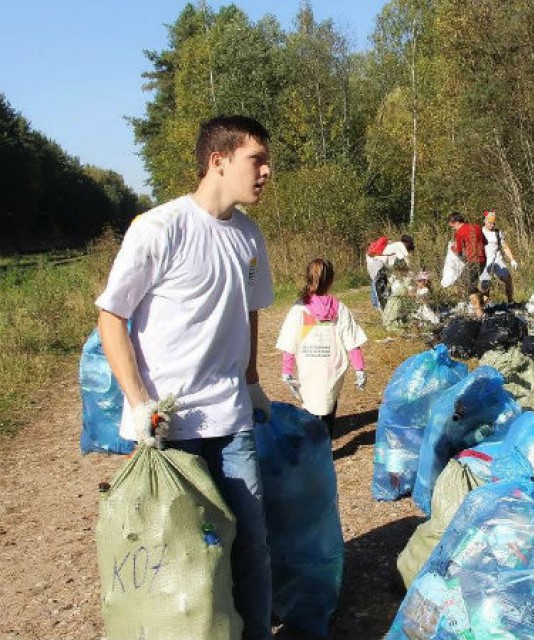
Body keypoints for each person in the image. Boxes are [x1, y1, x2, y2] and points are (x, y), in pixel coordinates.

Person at [95, 114, 276, 640]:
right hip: (167, 426)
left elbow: (250, 311)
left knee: (250, 543)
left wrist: (251, 379)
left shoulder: (248, 236)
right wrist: (136, 402)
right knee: (179, 551)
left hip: (230, 416)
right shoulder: (160, 227)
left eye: (267, 162)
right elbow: (112, 316)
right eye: (256, 160)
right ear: (218, 161)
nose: (266, 172)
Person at [277, 258, 367, 438]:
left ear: (308, 277)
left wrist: (287, 370)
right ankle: (325, 444)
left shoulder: (299, 308)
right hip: (331, 366)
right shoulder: (339, 308)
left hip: (309, 367)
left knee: (310, 404)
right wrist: (360, 369)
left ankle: (311, 447)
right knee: (328, 403)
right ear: (331, 280)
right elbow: (351, 340)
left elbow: (290, 340)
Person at [447, 211, 487, 319]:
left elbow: (459, 251)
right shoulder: (477, 227)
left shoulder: (459, 232)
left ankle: (480, 310)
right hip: (483, 259)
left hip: (473, 260)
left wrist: (453, 248)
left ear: (455, 222)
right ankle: (482, 301)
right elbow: (485, 241)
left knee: (464, 284)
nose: (453, 228)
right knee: (470, 284)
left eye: (452, 226)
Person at [366, 234, 415, 310]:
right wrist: (413, 273)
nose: (409, 250)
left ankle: (381, 306)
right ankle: (382, 310)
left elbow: (395, 268)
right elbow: (406, 260)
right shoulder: (400, 245)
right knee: (380, 288)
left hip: (373, 263)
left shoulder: (392, 247)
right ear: (407, 243)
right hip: (377, 264)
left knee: (380, 286)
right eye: (409, 247)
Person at [481, 210, 519, 302]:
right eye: (490, 223)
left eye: (493, 223)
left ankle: (510, 301)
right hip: (485, 261)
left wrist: (512, 259)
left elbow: (505, 247)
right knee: (485, 285)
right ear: (485, 221)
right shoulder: (480, 232)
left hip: (497, 260)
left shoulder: (498, 233)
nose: (492, 225)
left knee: (508, 277)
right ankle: (485, 305)